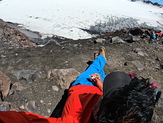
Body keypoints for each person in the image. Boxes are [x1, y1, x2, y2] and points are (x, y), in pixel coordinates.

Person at [0, 47, 161, 123]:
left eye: (106, 97)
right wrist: (102, 87)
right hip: (95, 86)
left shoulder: (72, 120)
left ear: (100, 113)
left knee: (94, 69)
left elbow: (24, 119)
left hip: (83, 85)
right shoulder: (115, 113)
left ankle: (101, 58)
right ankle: (100, 62)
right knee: (101, 76)